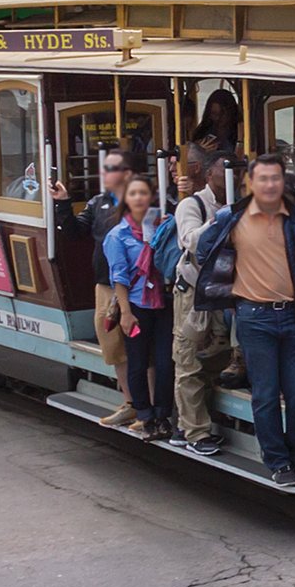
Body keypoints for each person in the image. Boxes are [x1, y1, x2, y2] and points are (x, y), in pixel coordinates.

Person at [197, 152, 295, 487]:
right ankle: (278, 462)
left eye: (275, 178)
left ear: (283, 182)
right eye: (263, 178)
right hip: (254, 317)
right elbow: (203, 252)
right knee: (266, 393)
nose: (269, 184)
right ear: (251, 183)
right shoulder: (231, 217)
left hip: (293, 316)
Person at [52, 152, 133, 425]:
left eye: (112, 169)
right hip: (105, 287)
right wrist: (63, 204)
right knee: (114, 348)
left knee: (140, 348)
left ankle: (150, 406)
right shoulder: (98, 203)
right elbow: (74, 232)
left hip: (135, 288)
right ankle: (130, 402)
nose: (105, 174)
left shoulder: (142, 201)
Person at [104, 175, 175, 440]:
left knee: (165, 362)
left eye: (144, 193)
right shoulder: (117, 235)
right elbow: (119, 277)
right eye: (133, 194)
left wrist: (168, 231)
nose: (139, 199)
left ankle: (163, 414)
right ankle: (145, 416)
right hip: (136, 304)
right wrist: (126, 313)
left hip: (163, 302)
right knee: (138, 361)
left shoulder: (161, 224)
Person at [170, 151, 230, 456]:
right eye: (225, 169)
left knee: (219, 354)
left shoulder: (243, 201)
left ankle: (189, 418)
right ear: (208, 175)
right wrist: (220, 220)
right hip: (194, 292)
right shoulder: (192, 204)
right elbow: (190, 241)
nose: (233, 175)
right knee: (189, 358)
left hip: (226, 291)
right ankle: (194, 432)